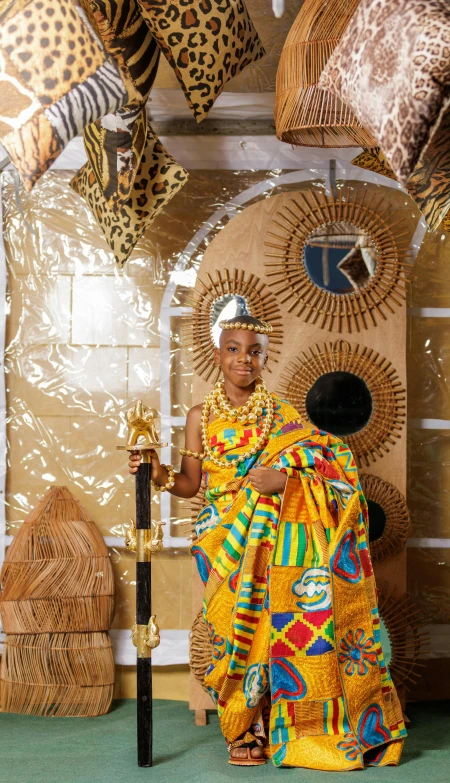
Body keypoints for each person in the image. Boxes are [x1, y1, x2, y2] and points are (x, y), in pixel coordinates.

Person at [128, 315, 406, 770]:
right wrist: (155, 473)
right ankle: (242, 725)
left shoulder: (281, 413)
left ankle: (275, 723)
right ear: (218, 355)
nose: (244, 358)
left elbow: (327, 466)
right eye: (233, 349)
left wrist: (286, 482)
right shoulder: (201, 416)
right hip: (222, 536)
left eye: (254, 350)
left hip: (273, 533)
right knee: (231, 632)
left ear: (265, 358)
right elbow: (190, 483)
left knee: (269, 624)